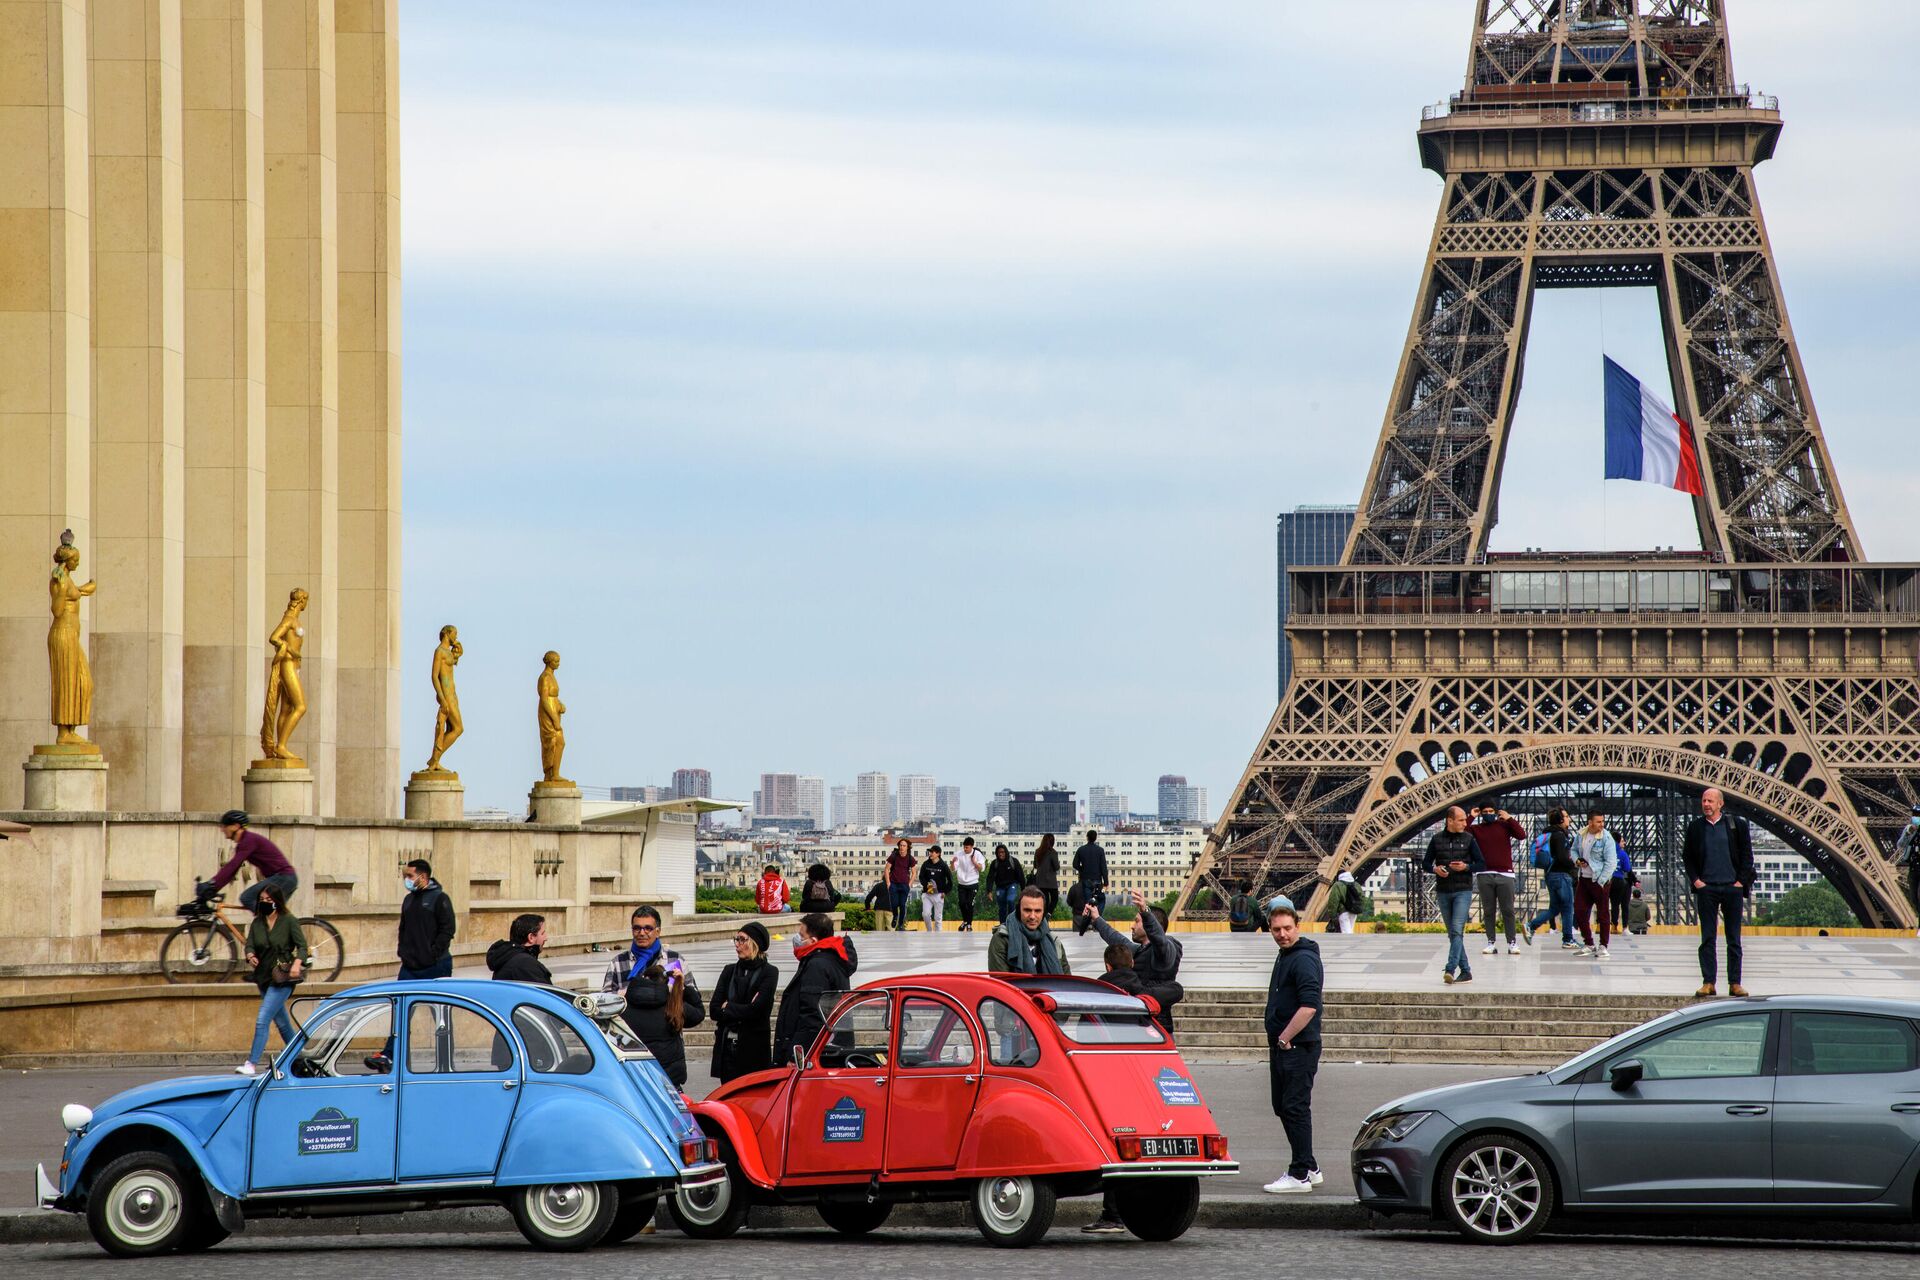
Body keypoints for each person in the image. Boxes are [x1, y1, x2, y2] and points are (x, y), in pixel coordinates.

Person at [602, 905, 706, 1087]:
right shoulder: (618, 963)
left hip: (667, 1049)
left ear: (658, 931)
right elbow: (604, 1006)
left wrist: (676, 992)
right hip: (628, 1048)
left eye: (648, 928)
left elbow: (691, 1001)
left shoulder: (675, 961)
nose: (642, 933)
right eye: (637, 928)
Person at [1262, 904, 1324, 1194]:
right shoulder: (1286, 954)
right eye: (1276, 930)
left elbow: (1309, 1005)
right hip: (1286, 1046)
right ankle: (1310, 1166)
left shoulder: (1302, 960)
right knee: (1283, 1106)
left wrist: (1285, 1038)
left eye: (1287, 928)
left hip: (1297, 1045)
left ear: (1298, 926)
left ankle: (1299, 1174)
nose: (1282, 934)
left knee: (1295, 1107)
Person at [1682, 788, 1754, 997]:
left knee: (1734, 938)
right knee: (1708, 938)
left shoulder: (1736, 825)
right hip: (1708, 889)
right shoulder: (1696, 827)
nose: (1706, 804)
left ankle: (1735, 983)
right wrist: (1696, 881)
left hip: (1732, 887)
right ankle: (1708, 982)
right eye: (1704, 800)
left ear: (1720, 804)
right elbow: (1688, 856)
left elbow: (1747, 854)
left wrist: (1740, 881)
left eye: (1710, 801)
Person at [1086, 888, 1183, 1030]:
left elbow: (1161, 942)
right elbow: (1116, 939)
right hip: (1141, 1022)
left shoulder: (1167, 949)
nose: (1132, 926)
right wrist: (1096, 919)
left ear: (1150, 925)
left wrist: (1146, 912)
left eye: (1137, 921)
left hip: (1157, 1026)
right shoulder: (1140, 950)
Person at [237, 882, 307, 1076]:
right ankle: (300, 1058)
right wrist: (250, 955)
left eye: (269, 900)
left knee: (262, 1019)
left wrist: (296, 964)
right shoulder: (258, 923)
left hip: (282, 978)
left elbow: (302, 946)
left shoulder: (289, 921)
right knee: (283, 1023)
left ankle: (251, 1063)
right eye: (262, 900)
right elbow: (250, 944)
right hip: (263, 978)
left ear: (277, 901)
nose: (265, 903)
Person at [773, 913, 859, 1064]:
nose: (797, 940)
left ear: (813, 940)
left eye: (801, 936)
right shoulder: (834, 958)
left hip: (817, 1054)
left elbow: (812, 1015)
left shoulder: (817, 965)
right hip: (831, 1048)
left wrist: (796, 1056)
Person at [710, 921, 778, 1083]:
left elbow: (758, 1011)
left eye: (742, 939)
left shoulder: (769, 972)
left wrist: (729, 1006)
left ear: (755, 943)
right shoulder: (729, 971)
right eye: (736, 939)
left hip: (754, 1049)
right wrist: (744, 1008)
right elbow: (714, 1010)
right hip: (728, 1048)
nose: (737, 945)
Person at [1424, 806, 1484, 984]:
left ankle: (1450, 968)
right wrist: (1435, 869)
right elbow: (1426, 864)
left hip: (1462, 890)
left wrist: (1466, 867)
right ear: (1450, 821)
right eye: (1461, 820)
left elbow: (1481, 864)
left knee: (1457, 929)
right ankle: (1466, 971)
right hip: (1443, 890)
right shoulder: (1436, 840)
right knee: (1453, 933)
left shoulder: (1469, 839)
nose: (1465, 823)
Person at [204, 809, 298, 912]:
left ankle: (272, 922)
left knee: (247, 897)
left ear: (236, 826)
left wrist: (212, 883)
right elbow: (232, 872)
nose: (222, 829)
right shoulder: (246, 841)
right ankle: (277, 925)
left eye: (225, 826)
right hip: (284, 878)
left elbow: (232, 866)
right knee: (273, 912)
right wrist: (214, 887)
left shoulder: (248, 840)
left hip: (283, 878)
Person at [1469, 805, 1528, 955]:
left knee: (1508, 910)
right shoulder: (1477, 829)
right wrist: (1471, 817)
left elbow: (1522, 835)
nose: (1488, 814)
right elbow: (1462, 832)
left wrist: (1509, 818)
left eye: (1491, 812)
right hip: (1484, 873)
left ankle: (1512, 942)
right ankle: (1491, 942)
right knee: (1488, 911)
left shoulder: (1504, 825)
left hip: (1505, 874)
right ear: (1481, 814)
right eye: (1485, 812)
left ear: (1496, 813)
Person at [1526, 809, 1580, 950]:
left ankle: (1531, 926)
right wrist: (1575, 863)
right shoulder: (1559, 835)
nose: (1570, 819)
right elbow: (1562, 858)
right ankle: (1568, 939)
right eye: (1567, 816)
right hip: (1561, 875)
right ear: (1561, 820)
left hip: (1550, 875)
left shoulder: (1548, 834)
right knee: (1568, 907)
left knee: (1555, 908)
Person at [396, 857, 456, 980]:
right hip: (409, 967)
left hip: (435, 966)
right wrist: (402, 952)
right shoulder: (408, 900)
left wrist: (432, 954)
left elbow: (448, 929)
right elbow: (403, 928)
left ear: (422, 877)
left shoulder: (440, 898)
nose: (406, 880)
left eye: (410, 876)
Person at [988, 886, 1071, 974]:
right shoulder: (1002, 939)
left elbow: (1067, 982)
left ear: (1044, 913)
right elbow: (1001, 982)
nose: (1032, 916)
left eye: (1037, 911)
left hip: (1051, 988)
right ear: (1019, 910)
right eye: (1027, 910)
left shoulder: (1053, 941)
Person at [1573, 809, 1620, 958]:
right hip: (1584, 879)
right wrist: (1577, 860)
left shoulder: (1606, 838)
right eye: (1598, 821)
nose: (1602, 824)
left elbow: (1611, 862)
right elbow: (1573, 850)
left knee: (1603, 914)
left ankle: (1603, 946)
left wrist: (1601, 881)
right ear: (1590, 822)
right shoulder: (1581, 834)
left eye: (1603, 821)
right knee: (1580, 910)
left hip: (1600, 880)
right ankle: (1589, 943)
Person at [487, 913, 552, 984]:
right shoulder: (526, 964)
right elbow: (545, 994)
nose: (546, 938)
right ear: (531, 937)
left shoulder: (509, 957)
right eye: (542, 933)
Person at [1072, 829, 1109, 924]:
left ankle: (1087, 922)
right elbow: (1103, 867)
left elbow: (1075, 864)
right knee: (1101, 900)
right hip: (1097, 880)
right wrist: (1106, 882)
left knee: (1088, 902)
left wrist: (1082, 869)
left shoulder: (1081, 849)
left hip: (1085, 880)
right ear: (1095, 838)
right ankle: (1096, 918)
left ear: (1087, 837)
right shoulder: (1100, 850)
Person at [1896, 804, 1920, 938]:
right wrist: (1908, 833)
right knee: (1914, 899)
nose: (1916, 817)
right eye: (1915, 815)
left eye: (1919, 815)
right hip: (1913, 867)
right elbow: (1900, 845)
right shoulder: (1909, 829)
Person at [951, 837, 986, 930]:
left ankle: (969, 924)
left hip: (973, 883)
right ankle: (965, 921)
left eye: (967, 847)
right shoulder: (959, 854)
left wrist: (974, 862)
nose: (965, 849)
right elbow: (953, 869)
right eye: (964, 847)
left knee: (969, 903)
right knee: (962, 903)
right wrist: (952, 863)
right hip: (962, 883)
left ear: (972, 847)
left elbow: (981, 869)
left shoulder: (977, 854)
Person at [917, 845, 953, 931]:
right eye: (930, 852)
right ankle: (929, 931)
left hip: (939, 895)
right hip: (927, 894)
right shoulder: (926, 864)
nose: (930, 853)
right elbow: (921, 877)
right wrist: (927, 885)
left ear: (938, 854)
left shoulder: (943, 865)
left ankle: (938, 937)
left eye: (932, 852)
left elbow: (950, 880)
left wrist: (945, 892)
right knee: (925, 914)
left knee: (938, 918)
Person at [987, 843, 1024, 922]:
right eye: (999, 852)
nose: (1001, 854)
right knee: (1002, 906)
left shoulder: (1013, 861)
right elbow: (990, 878)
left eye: (1002, 852)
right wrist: (989, 891)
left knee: (1010, 901)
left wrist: (1024, 890)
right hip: (1000, 887)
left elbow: (1021, 876)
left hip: (1012, 885)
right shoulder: (995, 864)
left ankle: (1012, 921)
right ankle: (1003, 924)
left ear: (1006, 852)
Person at [885, 838, 916, 932]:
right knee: (894, 904)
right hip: (893, 884)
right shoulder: (894, 856)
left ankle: (901, 924)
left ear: (907, 847)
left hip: (904, 885)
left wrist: (909, 884)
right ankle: (895, 916)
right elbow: (886, 869)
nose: (902, 847)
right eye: (900, 845)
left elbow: (914, 872)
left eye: (904, 846)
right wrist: (888, 883)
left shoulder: (910, 858)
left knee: (902, 905)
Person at [1030, 832, 1061, 913]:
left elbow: (1035, 866)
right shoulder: (1053, 852)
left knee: (1044, 901)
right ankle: (1048, 914)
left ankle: (1043, 917)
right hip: (1051, 882)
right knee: (1054, 899)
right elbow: (1057, 867)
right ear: (1052, 842)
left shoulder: (1038, 851)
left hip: (1040, 881)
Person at [1609, 846, 1636, 933]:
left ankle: (1614, 926)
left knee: (1615, 905)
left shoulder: (1611, 852)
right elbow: (1628, 869)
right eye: (1622, 841)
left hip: (1613, 881)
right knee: (1624, 906)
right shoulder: (1623, 854)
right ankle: (1624, 928)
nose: (1624, 843)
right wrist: (1635, 881)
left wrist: (1635, 880)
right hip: (1624, 883)